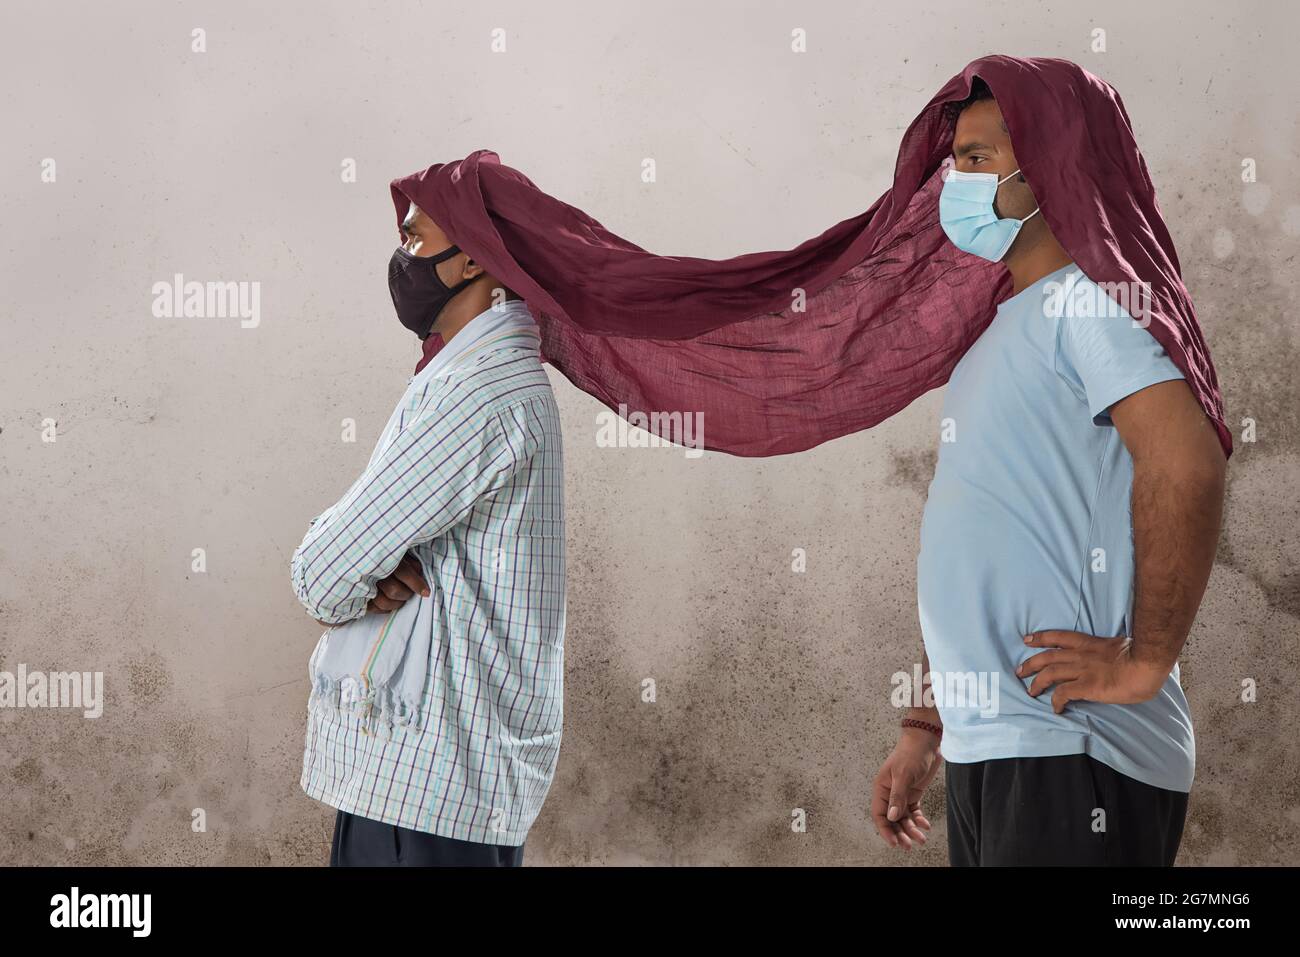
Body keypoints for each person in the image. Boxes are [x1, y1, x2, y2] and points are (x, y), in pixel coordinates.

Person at [868, 78, 1226, 865]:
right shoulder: (1002, 331)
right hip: (994, 745)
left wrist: (1144, 664)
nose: (952, 183)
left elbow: (1188, 461)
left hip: (1075, 747)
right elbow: (988, 534)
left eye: (974, 158)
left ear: (1047, 170)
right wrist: (929, 725)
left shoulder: (1092, 305)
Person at [290, 198, 565, 867]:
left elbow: (324, 572)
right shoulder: (483, 375)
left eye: (413, 238)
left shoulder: (477, 389)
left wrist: (351, 566)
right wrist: (368, 563)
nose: (401, 256)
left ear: (473, 255)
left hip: (426, 781)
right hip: (449, 775)